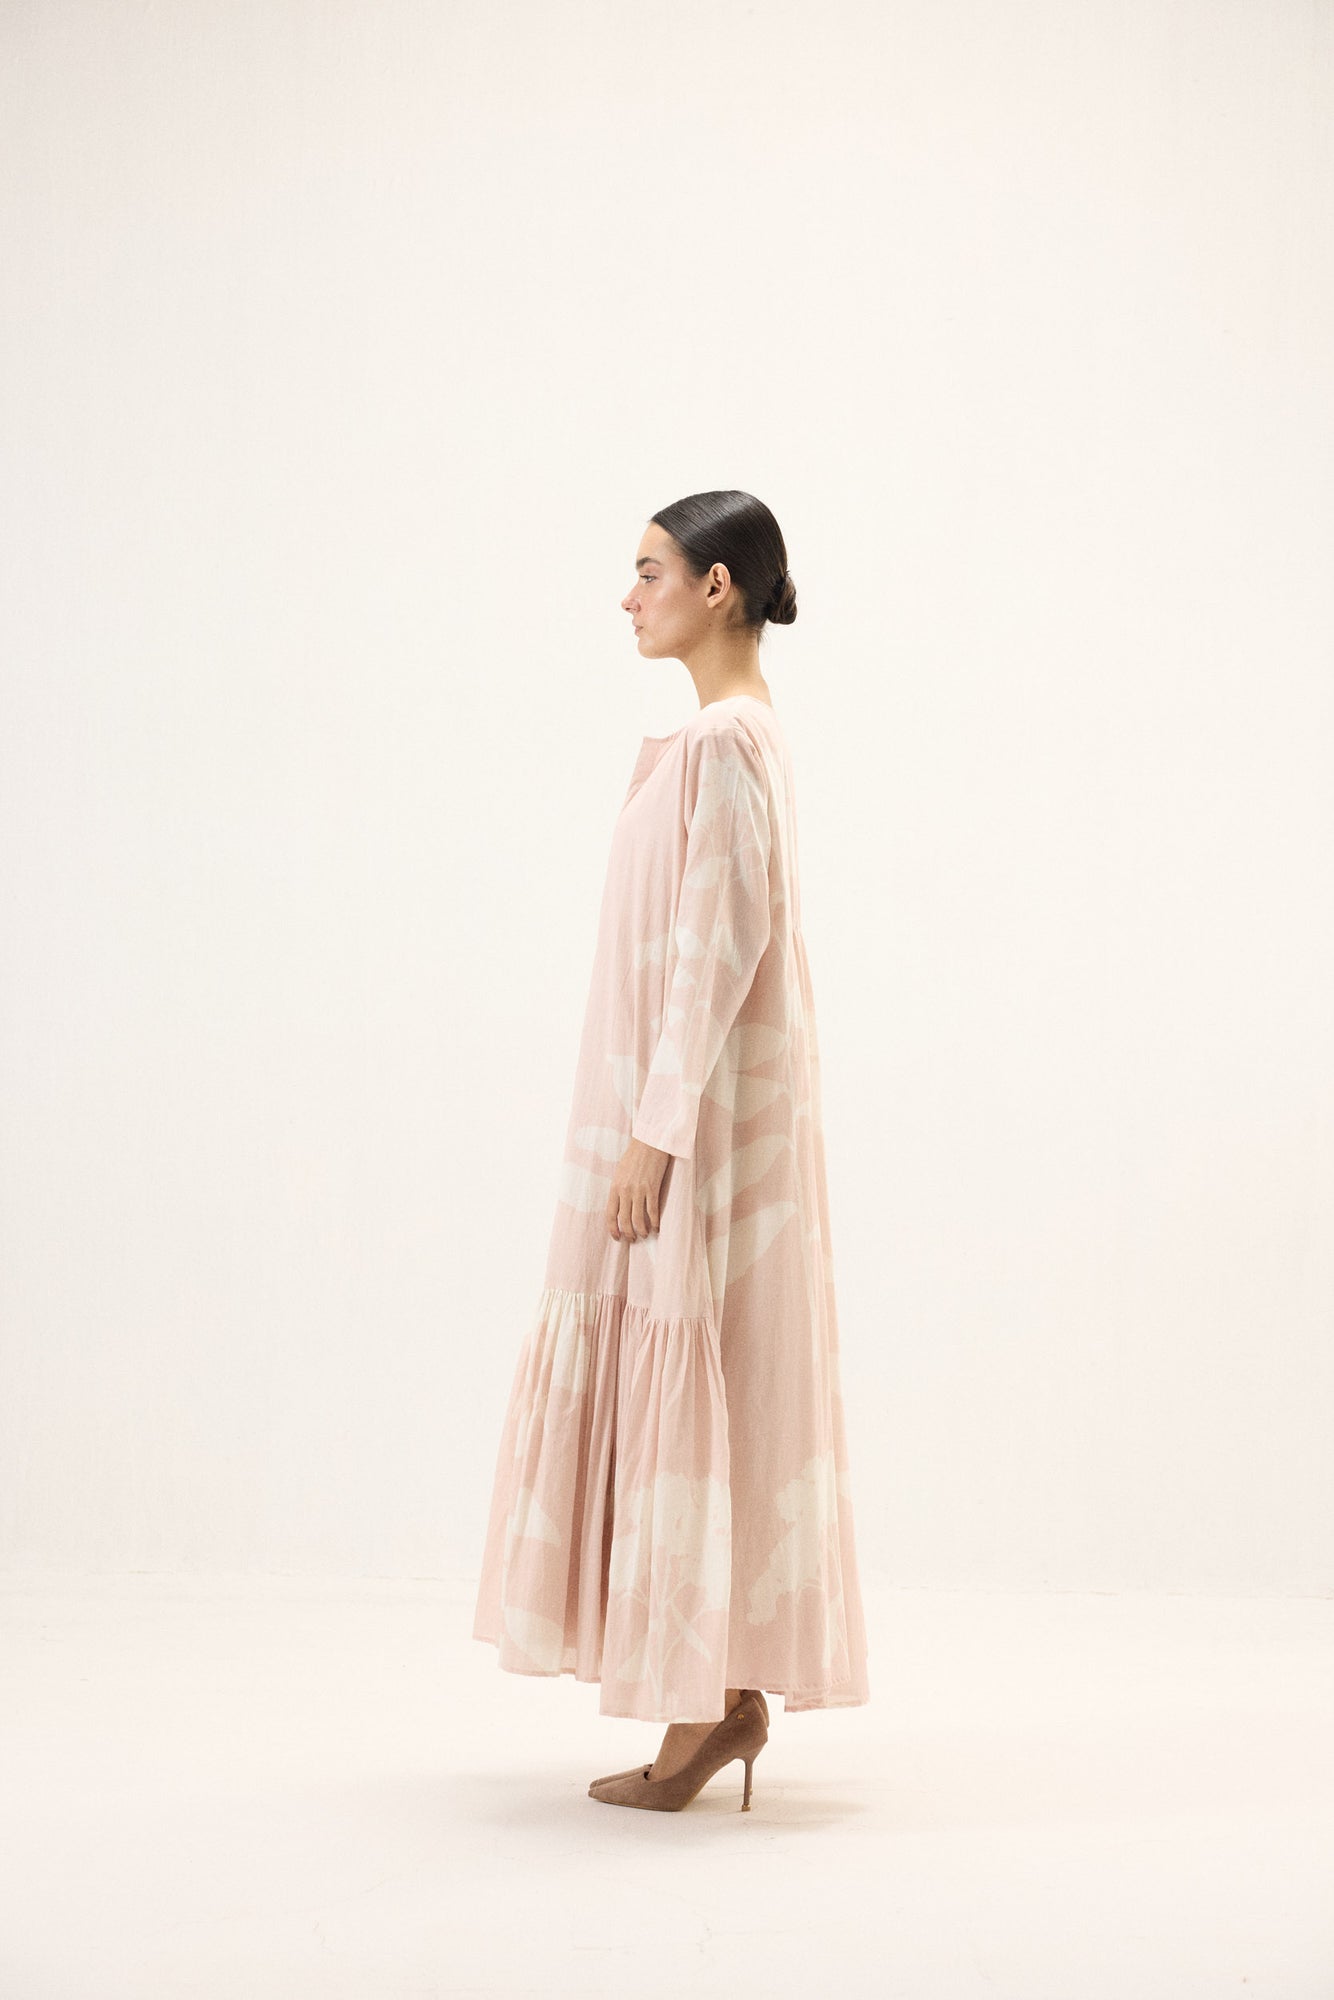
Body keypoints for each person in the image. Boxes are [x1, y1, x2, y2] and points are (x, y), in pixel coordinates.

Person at [472, 489, 870, 1812]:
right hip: (667, 1113)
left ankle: (710, 1705)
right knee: (696, 1374)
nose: (627, 596)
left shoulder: (729, 741)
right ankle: (717, 1700)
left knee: (692, 1364)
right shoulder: (714, 739)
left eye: (649, 571)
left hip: (685, 1129)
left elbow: (714, 947)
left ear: (716, 587)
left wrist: (653, 1137)